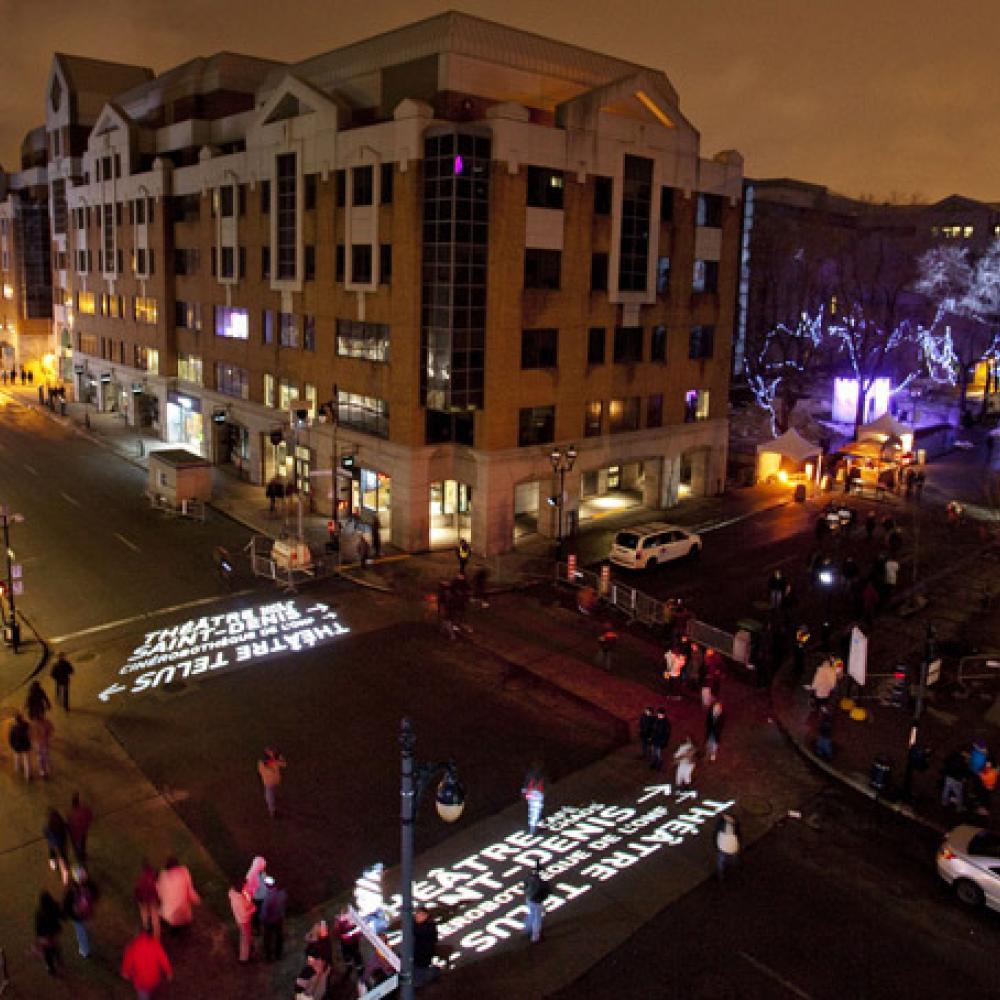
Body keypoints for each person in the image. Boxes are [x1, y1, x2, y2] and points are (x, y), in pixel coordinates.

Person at [121, 926, 173, 998]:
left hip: (141, 983)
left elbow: (126, 969)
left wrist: (126, 973)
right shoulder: (155, 943)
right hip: (155, 979)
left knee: (143, 994)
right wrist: (169, 972)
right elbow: (164, 959)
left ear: (136, 935)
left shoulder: (132, 948)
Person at [157, 856, 200, 932]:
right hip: (184, 915)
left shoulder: (163, 876)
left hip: (169, 916)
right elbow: (190, 891)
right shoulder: (184, 872)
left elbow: (159, 892)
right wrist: (196, 900)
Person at [63, 866, 97, 959]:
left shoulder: (71, 890)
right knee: (84, 930)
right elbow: (95, 894)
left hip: (79, 916)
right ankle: (86, 947)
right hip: (84, 914)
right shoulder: (88, 886)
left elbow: (66, 905)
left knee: (81, 932)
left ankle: (85, 951)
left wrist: (70, 914)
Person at [34, 890, 63, 975]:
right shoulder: (54, 906)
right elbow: (61, 915)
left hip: (45, 935)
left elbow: (38, 926)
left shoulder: (40, 912)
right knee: (55, 946)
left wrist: (38, 936)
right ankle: (58, 959)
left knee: (47, 952)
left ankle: (51, 967)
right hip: (53, 932)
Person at [260, 873, 287, 962]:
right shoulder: (283, 893)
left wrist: (262, 920)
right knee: (279, 937)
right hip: (279, 919)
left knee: (268, 939)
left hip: (269, 921)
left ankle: (268, 957)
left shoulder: (268, 897)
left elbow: (264, 911)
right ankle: (278, 955)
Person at [228, 882, 255, 963]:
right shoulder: (239, 900)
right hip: (244, 921)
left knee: (246, 935)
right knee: (245, 938)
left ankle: (250, 947)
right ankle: (244, 958)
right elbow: (244, 913)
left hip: (239, 918)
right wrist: (253, 908)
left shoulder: (233, 894)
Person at [522, 865, 548, 945]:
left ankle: (527, 930)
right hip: (535, 901)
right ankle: (535, 938)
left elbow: (525, 887)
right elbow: (542, 893)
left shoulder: (528, 878)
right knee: (537, 919)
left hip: (529, 899)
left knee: (532, 915)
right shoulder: (540, 883)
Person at [134, 861, 161, 938]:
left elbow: (137, 889)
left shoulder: (141, 877)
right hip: (152, 897)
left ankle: (146, 929)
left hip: (142, 898)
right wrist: (158, 899)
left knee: (144, 914)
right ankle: (157, 936)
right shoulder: (153, 876)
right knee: (155, 916)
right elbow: (155, 889)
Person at [258, 746, 286, 818]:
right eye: (270, 751)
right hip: (271, 781)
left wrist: (278, 758)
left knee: (270, 794)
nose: (272, 752)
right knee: (270, 794)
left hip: (272, 781)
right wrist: (278, 758)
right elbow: (283, 764)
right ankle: (272, 811)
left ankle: (272, 807)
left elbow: (283, 764)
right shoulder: (269, 761)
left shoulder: (266, 761)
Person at [44, 808, 70, 884]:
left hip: (52, 845)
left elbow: (45, 834)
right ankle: (65, 878)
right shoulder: (62, 824)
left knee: (52, 854)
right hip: (61, 845)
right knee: (63, 859)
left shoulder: (47, 826)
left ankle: (54, 864)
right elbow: (66, 829)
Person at [68, 792, 94, 864]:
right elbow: (90, 816)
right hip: (83, 833)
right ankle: (82, 856)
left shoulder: (71, 814)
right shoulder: (85, 811)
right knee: (82, 845)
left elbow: (69, 823)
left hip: (75, 834)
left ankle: (79, 857)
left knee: (77, 846)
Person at [715, 812, 741, 882]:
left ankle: (733, 873)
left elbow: (738, 835)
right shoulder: (722, 824)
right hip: (724, 847)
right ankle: (721, 875)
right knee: (721, 862)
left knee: (732, 861)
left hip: (731, 847)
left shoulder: (735, 826)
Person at [245, 855, 268, 934]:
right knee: (257, 914)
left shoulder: (262, 873)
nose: (264, 866)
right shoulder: (252, 875)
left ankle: (262, 927)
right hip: (257, 898)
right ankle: (257, 929)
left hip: (263, 897)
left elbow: (264, 882)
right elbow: (251, 888)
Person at [522, 764, 545, 834]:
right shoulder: (535, 776)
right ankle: (533, 828)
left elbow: (525, 786)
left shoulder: (532, 775)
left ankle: (533, 827)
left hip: (533, 794)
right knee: (535, 811)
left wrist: (525, 793)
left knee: (534, 810)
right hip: (534, 794)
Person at [9, 710, 32, 780]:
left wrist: (12, 746)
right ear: (22, 719)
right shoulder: (26, 725)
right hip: (25, 746)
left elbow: (11, 739)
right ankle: (28, 775)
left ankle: (17, 768)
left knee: (17, 758)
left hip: (17, 746)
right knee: (27, 760)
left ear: (15, 721)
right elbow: (30, 731)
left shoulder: (13, 729)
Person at [30, 712, 54, 778]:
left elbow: (31, 734)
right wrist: (48, 736)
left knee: (40, 757)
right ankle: (47, 769)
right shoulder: (47, 722)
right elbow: (51, 729)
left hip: (37, 743)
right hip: (44, 742)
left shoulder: (33, 724)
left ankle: (42, 771)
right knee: (45, 756)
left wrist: (33, 741)